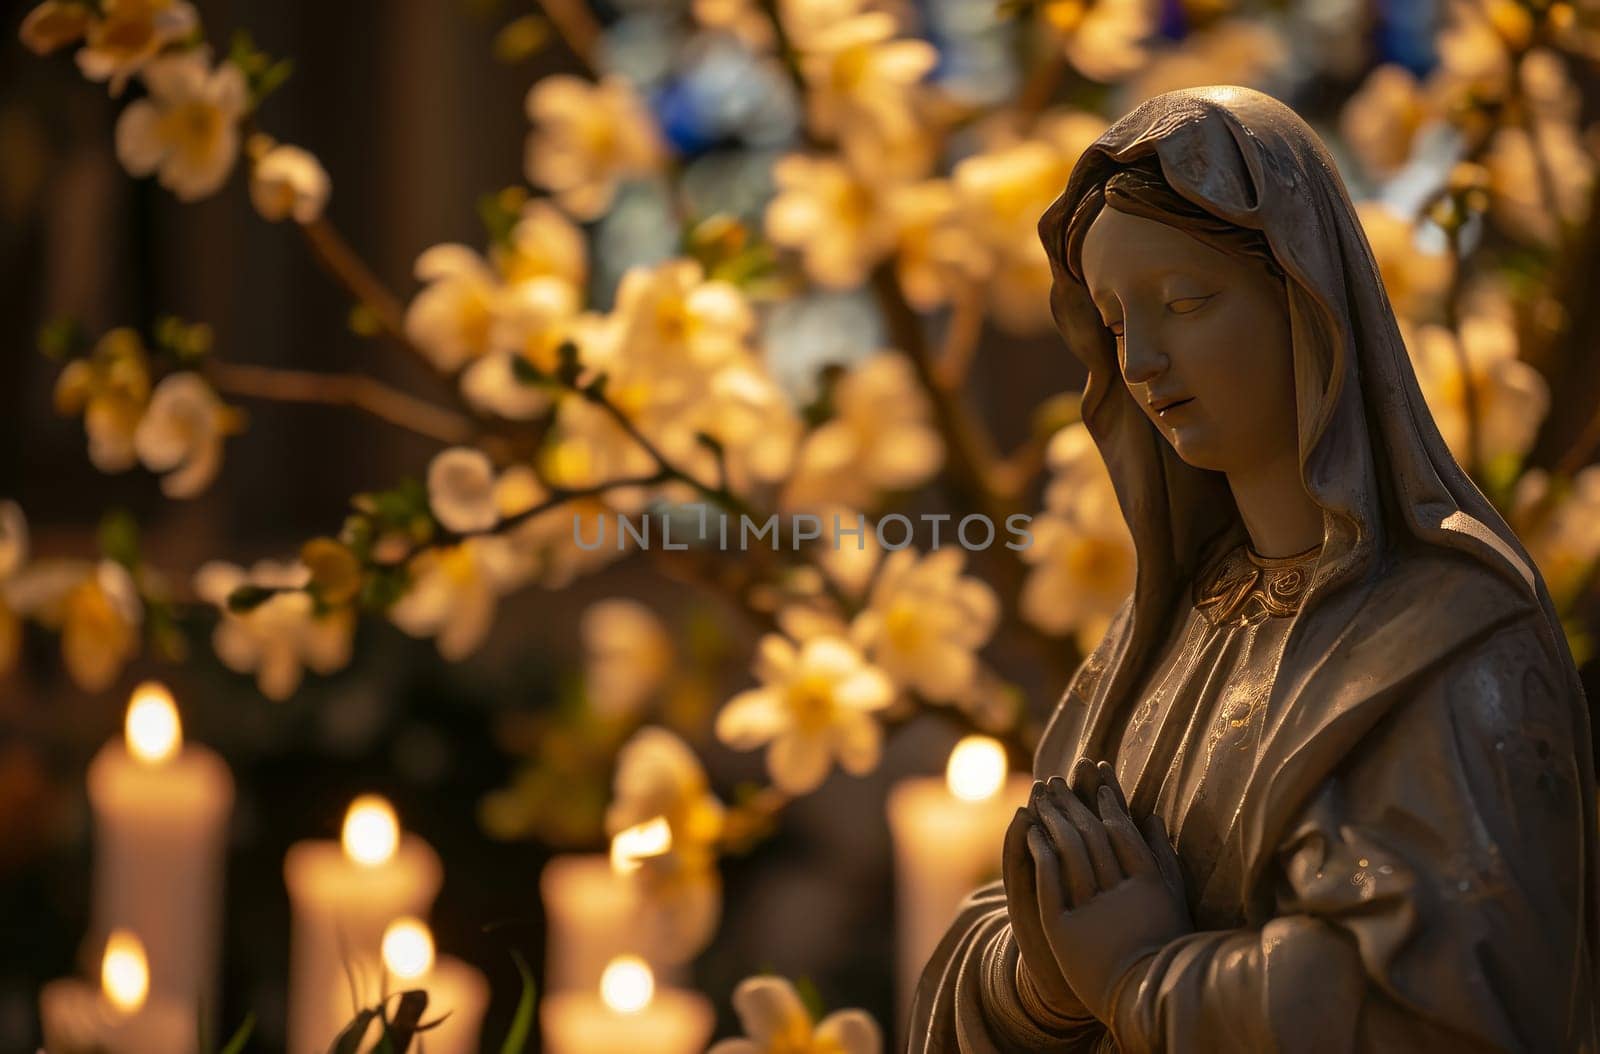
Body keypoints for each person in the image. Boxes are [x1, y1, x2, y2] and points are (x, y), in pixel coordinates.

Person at [905, 85, 1599, 1053]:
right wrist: (1039, 983)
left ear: (1305, 298)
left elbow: (1447, 1009)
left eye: (1185, 302)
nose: (1142, 359)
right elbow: (1022, 914)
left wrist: (1141, 979)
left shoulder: (1449, 635)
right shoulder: (1168, 625)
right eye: (1112, 322)